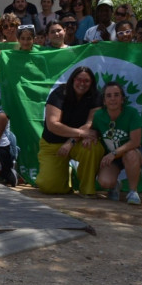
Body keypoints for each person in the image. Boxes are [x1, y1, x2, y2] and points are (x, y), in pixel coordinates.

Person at [36, 66, 104, 196]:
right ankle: (67, 173)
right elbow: (53, 125)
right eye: (79, 80)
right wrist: (80, 133)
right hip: (52, 143)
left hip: (76, 143)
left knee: (94, 146)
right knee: (49, 187)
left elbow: (90, 124)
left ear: (92, 83)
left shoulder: (96, 96)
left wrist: (71, 141)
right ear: (73, 79)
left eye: (86, 81)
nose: (82, 84)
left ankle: (87, 190)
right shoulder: (59, 93)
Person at [92, 82, 142, 205]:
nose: (113, 99)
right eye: (108, 96)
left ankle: (133, 192)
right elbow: (94, 131)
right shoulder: (99, 116)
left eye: (116, 95)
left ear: (122, 99)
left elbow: (135, 142)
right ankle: (115, 185)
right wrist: (90, 136)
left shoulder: (132, 113)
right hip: (113, 158)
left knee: (130, 154)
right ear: (104, 101)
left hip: (132, 152)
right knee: (104, 182)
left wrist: (114, 153)